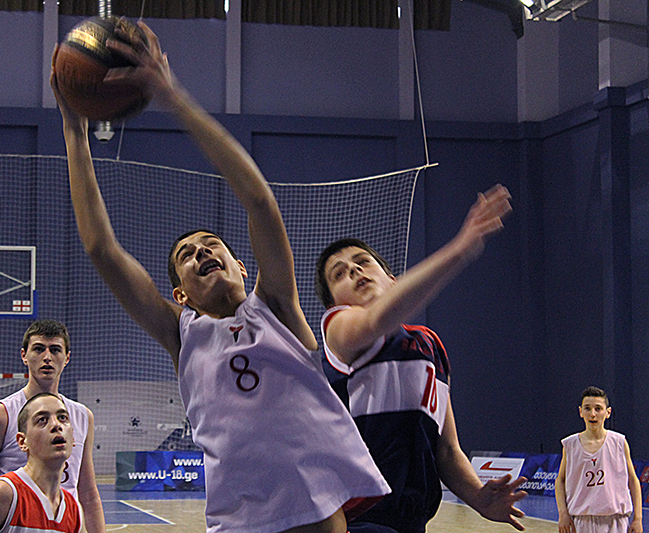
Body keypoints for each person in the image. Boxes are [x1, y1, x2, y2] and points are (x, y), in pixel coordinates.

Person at [53, 19, 389, 533]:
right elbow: (101, 248)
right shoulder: (181, 333)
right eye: (187, 256)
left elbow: (259, 201)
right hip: (237, 523)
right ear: (181, 294)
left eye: (212, 246)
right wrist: (74, 133)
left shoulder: (275, 306)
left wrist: (172, 96)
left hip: (315, 517)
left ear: (242, 267)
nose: (202, 252)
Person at [315, 185, 528, 533]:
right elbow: (374, 320)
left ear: (392, 280)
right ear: (332, 305)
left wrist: (479, 497)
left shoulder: (429, 346)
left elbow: (446, 450)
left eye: (362, 262)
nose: (353, 270)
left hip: (412, 523)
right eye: (338, 273)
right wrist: (460, 248)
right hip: (355, 522)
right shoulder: (338, 330)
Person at [0, 320, 104, 533]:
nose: (47, 357)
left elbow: (88, 494)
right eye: (38, 349)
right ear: (24, 355)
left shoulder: (83, 416)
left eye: (55, 350)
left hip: (66, 522)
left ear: (66, 358)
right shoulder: (0, 415)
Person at [0, 392, 85, 533]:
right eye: (42, 420)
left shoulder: (74, 510)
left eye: (62, 418)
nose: (56, 425)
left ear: (73, 437)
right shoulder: (2, 493)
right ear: (22, 441)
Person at [555, 386, 642, 533]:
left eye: (598, 409)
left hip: (616, 520)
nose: (593, 414)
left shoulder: (619, 442)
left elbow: (633, 480)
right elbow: (560, 481)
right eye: (587, 408)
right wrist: (563, 513)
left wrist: (638, 518)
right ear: (580, 412)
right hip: (582, 520)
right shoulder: (570, 444)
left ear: (608, 412)